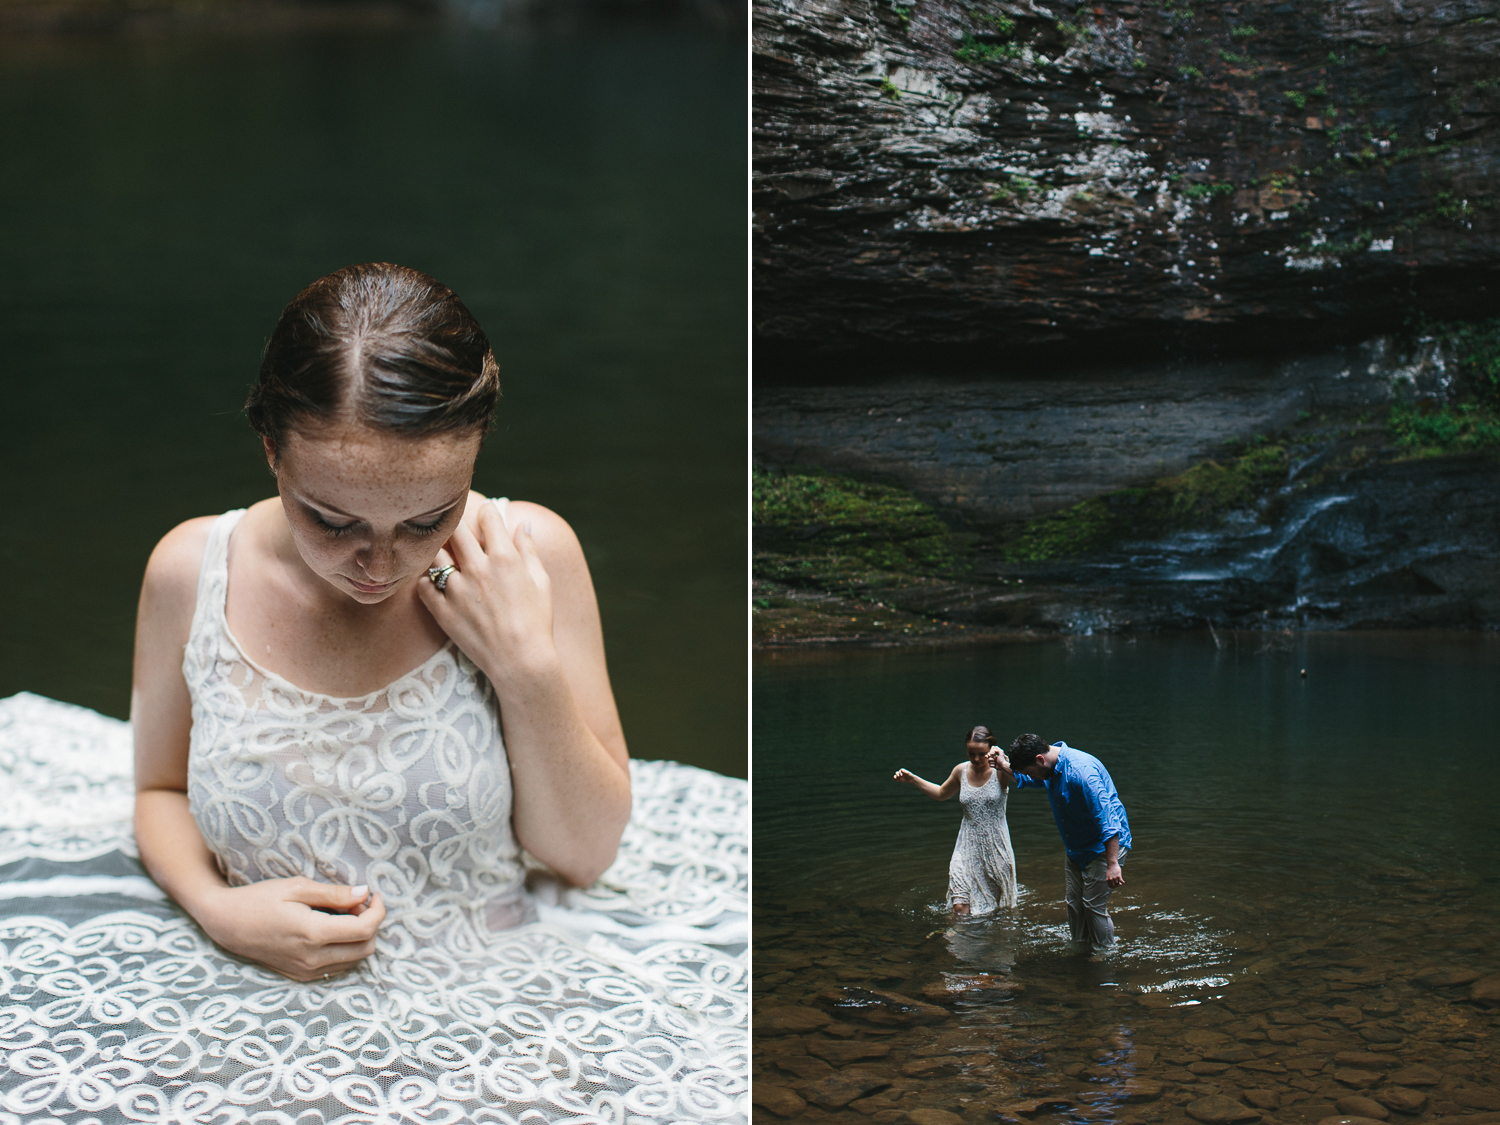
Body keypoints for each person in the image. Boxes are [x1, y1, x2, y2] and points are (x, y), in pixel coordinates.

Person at [0, 263, 745, 1123]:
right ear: (272, 448)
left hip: (490, 991)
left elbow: (582, 854)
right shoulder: (188, 568)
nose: (381, 564)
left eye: (427, 517)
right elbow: (158, 789)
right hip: (244, 989)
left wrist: (524, 665)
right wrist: (218, 909)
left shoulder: (529, 554)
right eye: (334, 520)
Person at [1003, 732, 1131, 954]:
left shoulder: (1082, 772)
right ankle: (1080, 949)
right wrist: (1002, 766)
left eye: (1031, 770)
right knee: (1074, 904)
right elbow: (1029, 778)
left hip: (1105, 846)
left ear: (1040, 760)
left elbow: (1108, 819)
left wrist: (1112, 864)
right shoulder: (1049, 767)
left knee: (1093, 906)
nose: (1032, 776)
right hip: (1076, 847)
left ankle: (1104, 955)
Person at [893, 725, 1016, 916]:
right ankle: (958, 943)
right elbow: (942, 793)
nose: (975, 759)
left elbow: (1023, 779)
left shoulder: (1000, 770)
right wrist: (913, 780)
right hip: (966, 847)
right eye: (971, 753)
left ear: (991, 750)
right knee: (959, 907)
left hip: (996, 847)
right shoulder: (960, 771)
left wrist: (1002, 758)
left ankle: (993, 944)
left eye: (981, 754)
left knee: (999, 911)